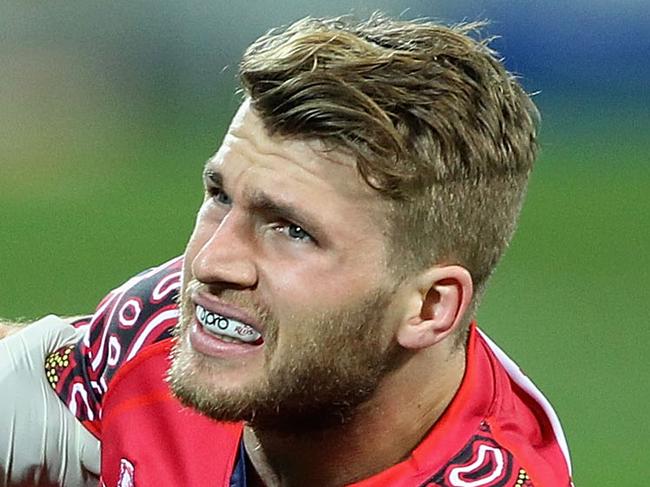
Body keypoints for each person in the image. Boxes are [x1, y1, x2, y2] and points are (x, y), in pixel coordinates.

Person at [0, 13, 574, 487]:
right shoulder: (149, 339)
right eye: (221, 197)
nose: (209, 263)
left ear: (429, 308)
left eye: (292, 229)